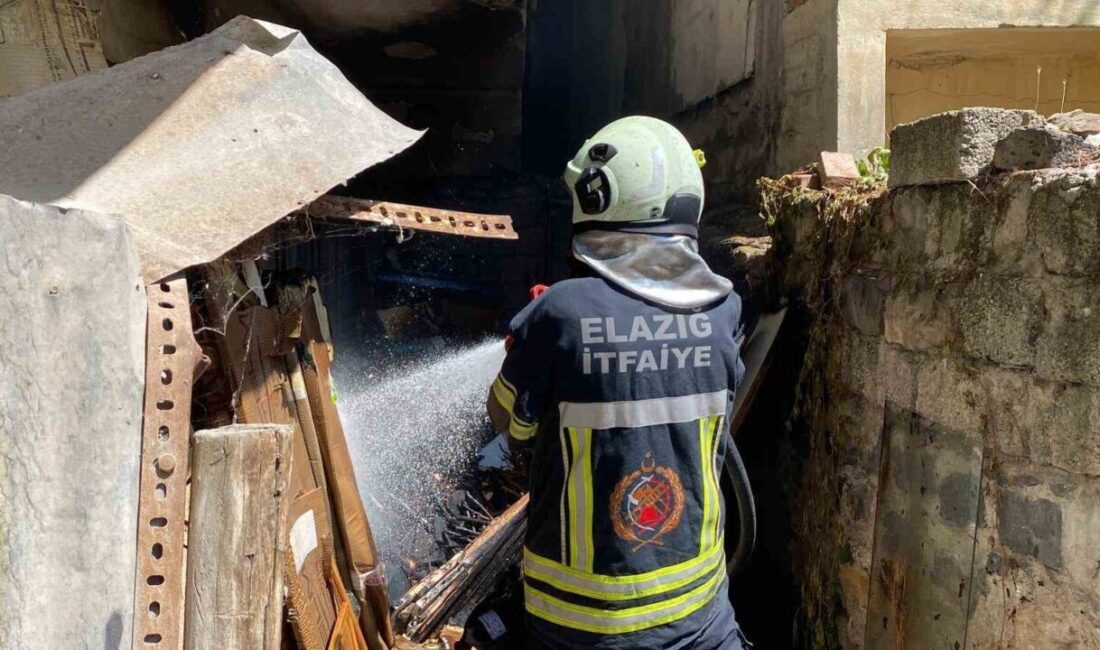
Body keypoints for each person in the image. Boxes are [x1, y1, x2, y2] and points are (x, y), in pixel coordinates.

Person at [487, 116, 748, 650]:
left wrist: (540, 347)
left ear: (599, 198)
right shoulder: (725, 310)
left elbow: (510, 426)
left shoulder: (558, 311)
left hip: (578, 625)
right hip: (700, 615)